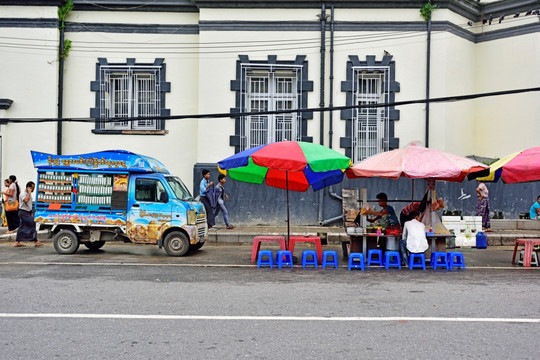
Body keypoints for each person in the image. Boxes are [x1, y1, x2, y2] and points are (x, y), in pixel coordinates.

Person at [14, 181, 43, 247]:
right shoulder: (23, 194)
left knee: (21, 226)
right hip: (23, 212)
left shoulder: (28, 194)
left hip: (27, 212)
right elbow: (26, 200)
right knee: (33, 223)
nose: (33, 190)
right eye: (32, 188)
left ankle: (17, 242)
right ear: (28, 188)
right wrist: (29, 192)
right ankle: (35, 241)